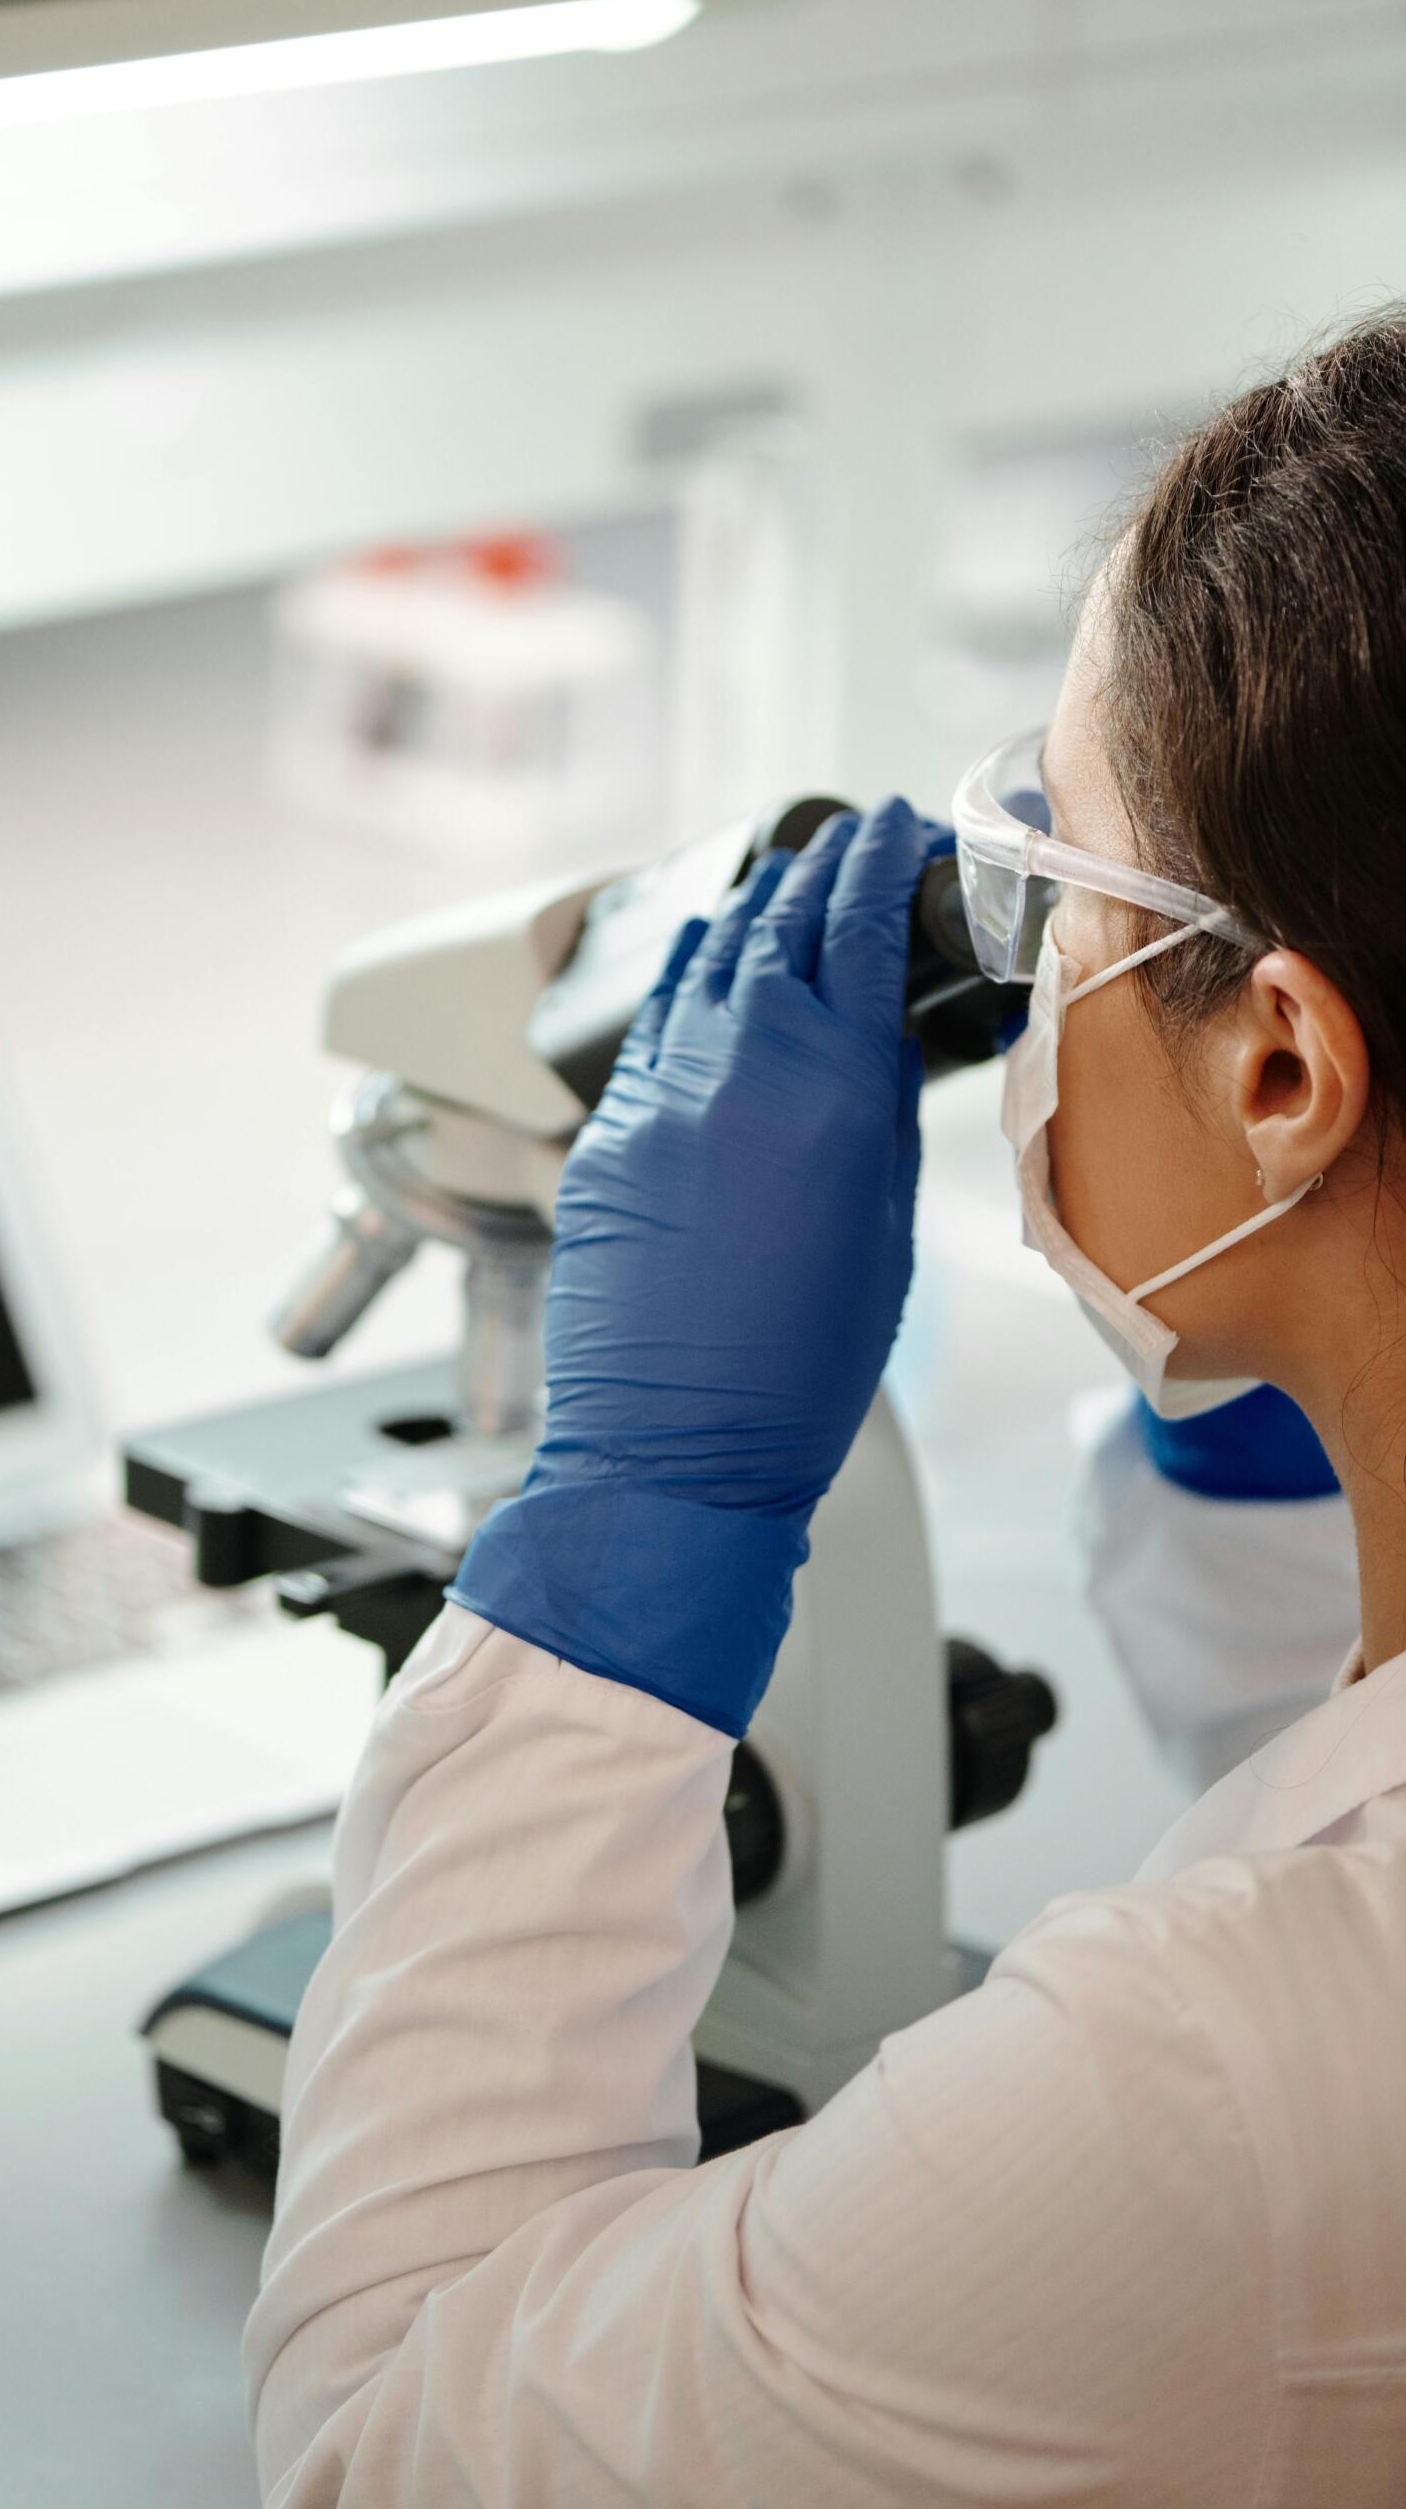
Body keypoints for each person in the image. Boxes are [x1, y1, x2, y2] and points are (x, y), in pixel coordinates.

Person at [245, 316, 1406, 2504]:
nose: (1017, 955)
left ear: (1276, 1071)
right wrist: (1291, 1419)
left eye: (1052, 873)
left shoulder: (1200, 2081)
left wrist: (631, 1515)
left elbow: (385, 2442)